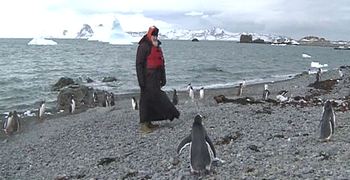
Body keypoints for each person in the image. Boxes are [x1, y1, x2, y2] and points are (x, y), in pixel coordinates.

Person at [136, 26, 180, 133]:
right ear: (149, 35)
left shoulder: (157, 46)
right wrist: (141, 80)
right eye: (153, 35)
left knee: (153, 99)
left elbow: (161, 64)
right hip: (147, 78)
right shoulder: (143, 46)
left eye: (156, 35)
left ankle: (149, 122)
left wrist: (163, 78)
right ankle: (144, 125)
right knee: (146, 100)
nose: (155, 37)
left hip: (156, 77)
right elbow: (139, 64)